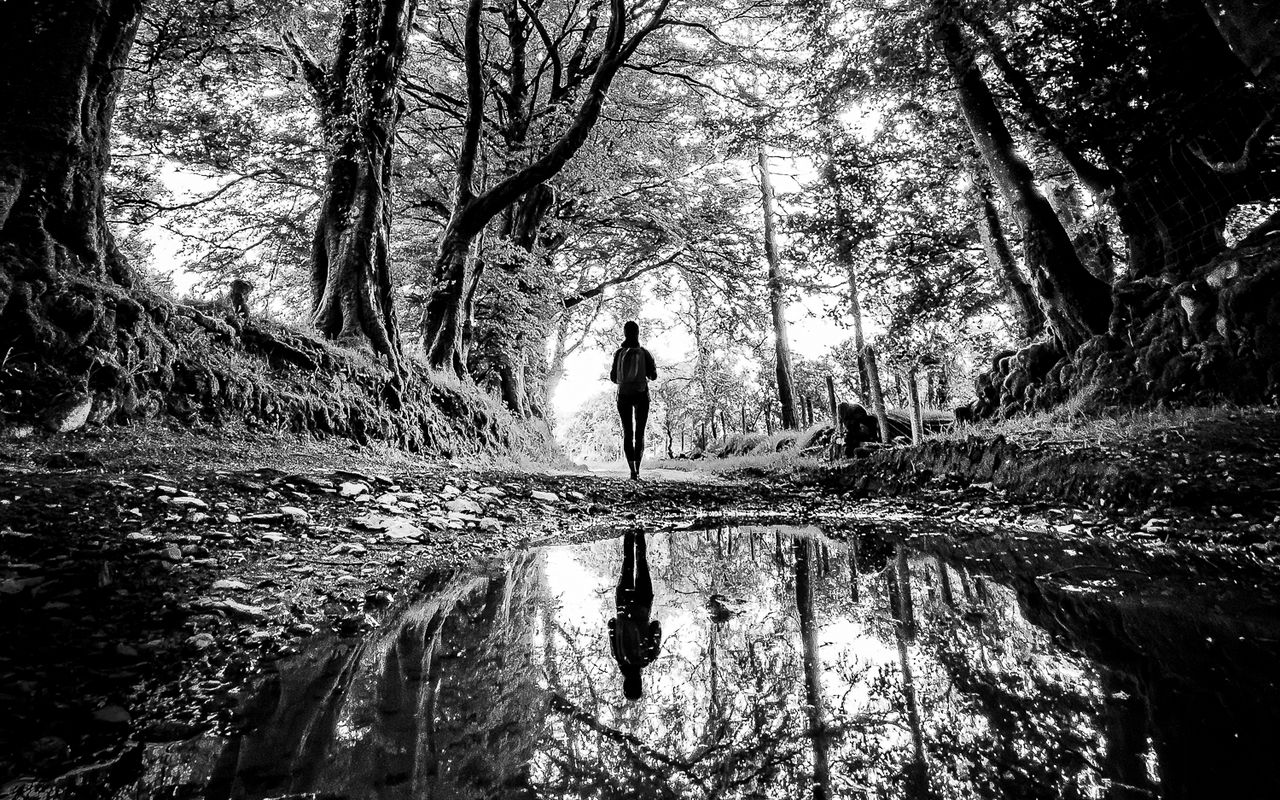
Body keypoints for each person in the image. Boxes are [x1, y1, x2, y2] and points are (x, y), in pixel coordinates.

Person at [608, 530, 661, 700]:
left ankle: (639, 531)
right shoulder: (618, 656)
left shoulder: (647, 657)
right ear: (624, 683)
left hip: (643, 604)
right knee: (627, 562)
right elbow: (611, 624)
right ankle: (628, 531)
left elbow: (656, 625)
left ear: (640, 682)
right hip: (623, 604)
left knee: (642, 561)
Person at [609, 321, 657, 480]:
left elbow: (613, 378)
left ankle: (632, 471)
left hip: (623, 395)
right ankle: (638, 470)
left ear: (624, 333)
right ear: (638, 333)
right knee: (640, 433)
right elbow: (653, 376)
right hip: (641, 395)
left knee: (627, 432)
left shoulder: (619, 353)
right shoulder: (644, 353)